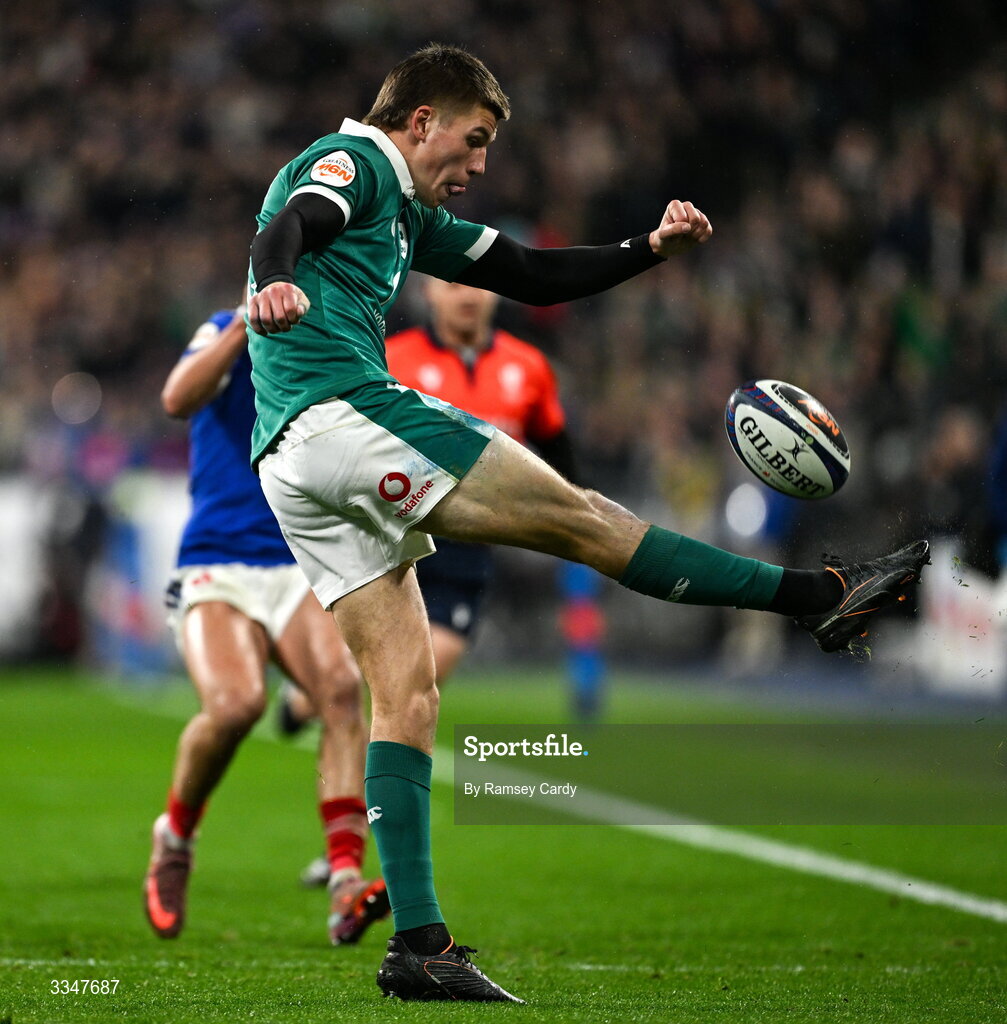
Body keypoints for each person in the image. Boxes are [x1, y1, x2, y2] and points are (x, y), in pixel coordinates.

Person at [244, 44, 929, 1002]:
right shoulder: (356, 164)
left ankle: (420, 948)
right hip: (341, 409)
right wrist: (276, 278)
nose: (479, 164)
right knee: (583, 518)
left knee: (406, 695)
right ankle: (822, 597)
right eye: (472, 141)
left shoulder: (404, 211)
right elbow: (295, 220)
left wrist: (646, 251)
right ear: (420, 121)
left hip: (289, 459)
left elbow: (527, 273)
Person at [279, 275, 592, 886]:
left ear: (500, 294)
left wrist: (579, 524)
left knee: (408, 694)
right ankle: (337, 822)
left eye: (478, 285)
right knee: (369, 690)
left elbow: (559, 457)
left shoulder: (528, 368)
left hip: (467, 557)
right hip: (394, 542)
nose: (466, 294)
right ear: (427, 291)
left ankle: (346, 836)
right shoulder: (394, 355)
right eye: (451, 283)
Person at [144, 306, 390, 948]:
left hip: (297, 554)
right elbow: (177, 398)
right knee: (236, 706)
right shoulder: (226, 324)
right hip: (219, 555)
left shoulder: (338, 331)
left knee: (339, 691)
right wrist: (239, 329)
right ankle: (174, 837)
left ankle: (343, 883)